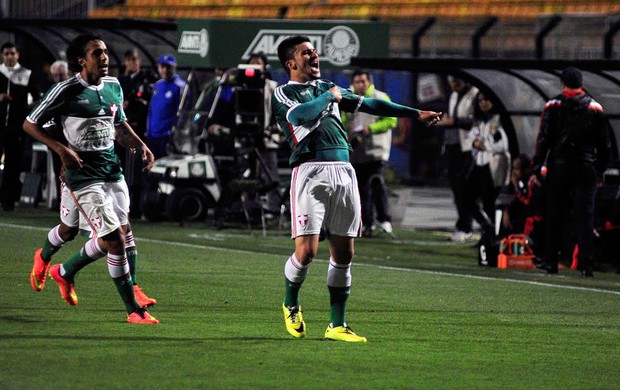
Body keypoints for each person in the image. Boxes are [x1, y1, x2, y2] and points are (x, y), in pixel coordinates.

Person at [272, 35, 441, 342]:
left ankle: (337, 325)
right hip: (310, 172)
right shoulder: (283, 93)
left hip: (344, 171)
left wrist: (416, 114)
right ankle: (291, 302)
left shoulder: (327, 89)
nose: (314, 56)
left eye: (314, 51)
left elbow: (374, 104)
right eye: (306, 52)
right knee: (307, 252)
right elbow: (300, 116)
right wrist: (330, 98)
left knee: (344, 253)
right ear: (291, 63)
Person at [23, 33, 159, 324]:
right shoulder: (65, 91)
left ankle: (61, 270)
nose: (105, 57)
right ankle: (134, 310)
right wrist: (61, 149)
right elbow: (30, 123)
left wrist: (140, 145)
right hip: (82, 176)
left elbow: (119, 123)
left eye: (106, 51)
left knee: (73, 230)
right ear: (81, 61)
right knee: (113, 239)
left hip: (111, 171)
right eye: (97, 53)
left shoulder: (113, 86)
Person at [532, 67, 611, 277]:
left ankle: (551, 262)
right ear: (581, 83)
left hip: (559, 167)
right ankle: (586, 265)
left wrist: (538, 165)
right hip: (586, 168)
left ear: (563, 83)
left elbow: (543, 138)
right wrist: (600, 169)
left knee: (554, 215)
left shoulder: (553, 105)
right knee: (585, 217)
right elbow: (605, 145)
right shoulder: (595, 108)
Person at [342, 69, 397, 237]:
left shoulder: (380, 97)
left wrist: (370, 128)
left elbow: (391, 120)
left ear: (369, 82)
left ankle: (385, 220)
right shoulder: (349, 99)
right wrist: (346, 126)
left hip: (377, 151)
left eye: (363, 81)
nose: (360, 85)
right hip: (357, 152)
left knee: (377, 184)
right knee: (361, 189)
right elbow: (343, 118)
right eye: (356, 82)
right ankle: (366, 223)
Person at [462, 91, 511, 244]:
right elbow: (471, 137)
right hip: (480, 164)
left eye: (486, 99)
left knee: (489, 202)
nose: (483, 103)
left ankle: (491, 237)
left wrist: (485, 145)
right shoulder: (480, 120)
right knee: (467, 198)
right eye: (480, 100)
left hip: (493, 165)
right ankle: (487, 227)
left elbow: (502, 144)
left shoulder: (499, 120)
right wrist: (475, 143)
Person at [437, 76, 478, 242]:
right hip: (453, 145)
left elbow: (475, 121)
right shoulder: (454, 95)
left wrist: (453, 121)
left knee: (465, 189)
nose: (455, 85)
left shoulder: (475, 94)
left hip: (468, 147)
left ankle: (466, 226)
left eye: (457, 82)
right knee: (456, 189)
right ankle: (462, 224)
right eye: (452, 82)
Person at [0, 42, 40, 211]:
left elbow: (36, 99)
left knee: (13, 164)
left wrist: (18, 105)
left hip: (16, 127)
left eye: (12, 53)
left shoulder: (26, 74)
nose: (9, 56)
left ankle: (8, 201)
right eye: (6, 53)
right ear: (2, 55)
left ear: (18, 55)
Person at [118, 49, 157, 216]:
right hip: (122, 130)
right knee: (122, 167)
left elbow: (144, 104)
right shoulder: (121, 80)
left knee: (136, 168)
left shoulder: (146, 79)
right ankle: (123, 204)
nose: (132, 63)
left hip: (138, 129)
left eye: (134, 59)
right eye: (129, 60)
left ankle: (136, 205)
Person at [248, 51, 282, 213]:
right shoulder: (241, 85)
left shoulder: (272, 87)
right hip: (246, 139)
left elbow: (278, 112)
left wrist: (278, 130)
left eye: (258, 62)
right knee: (249, 177)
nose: (255, 65)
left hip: (267, 138)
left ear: (264, 66)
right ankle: (250, 209)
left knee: (271, 176)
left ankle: (274, 209)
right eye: (252, 62)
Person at [146, 53, 186, 159]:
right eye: (162, 66)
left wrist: (174, 132)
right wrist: (148, 131)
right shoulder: (157, 85)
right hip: (153, 136)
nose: (165, 70)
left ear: (174, 67)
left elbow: (183, 113)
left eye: (168, 66)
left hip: (167, 137)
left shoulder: (180, 87)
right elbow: (151, 110)